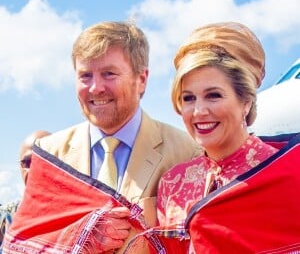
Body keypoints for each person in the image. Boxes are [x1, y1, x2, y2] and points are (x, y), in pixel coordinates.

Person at [21, 21, 199, 253]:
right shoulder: (48, 155)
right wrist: (79, 237)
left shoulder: (187, 153)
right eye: (85, 75)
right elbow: (24, 243)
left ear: (142, 79)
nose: (96, 88)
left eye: (109, 73)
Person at [156, 22, 300, 252]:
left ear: (246, 101)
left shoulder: (290, 171)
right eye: (188, 98)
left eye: (213, 95)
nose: (199, 111)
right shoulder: (173, 182)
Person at [0, 130, 50, 250]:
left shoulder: (80, 221)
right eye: (27, 162)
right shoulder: (5, 218)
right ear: (20, 167)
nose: (35, 169)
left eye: (44, 161)